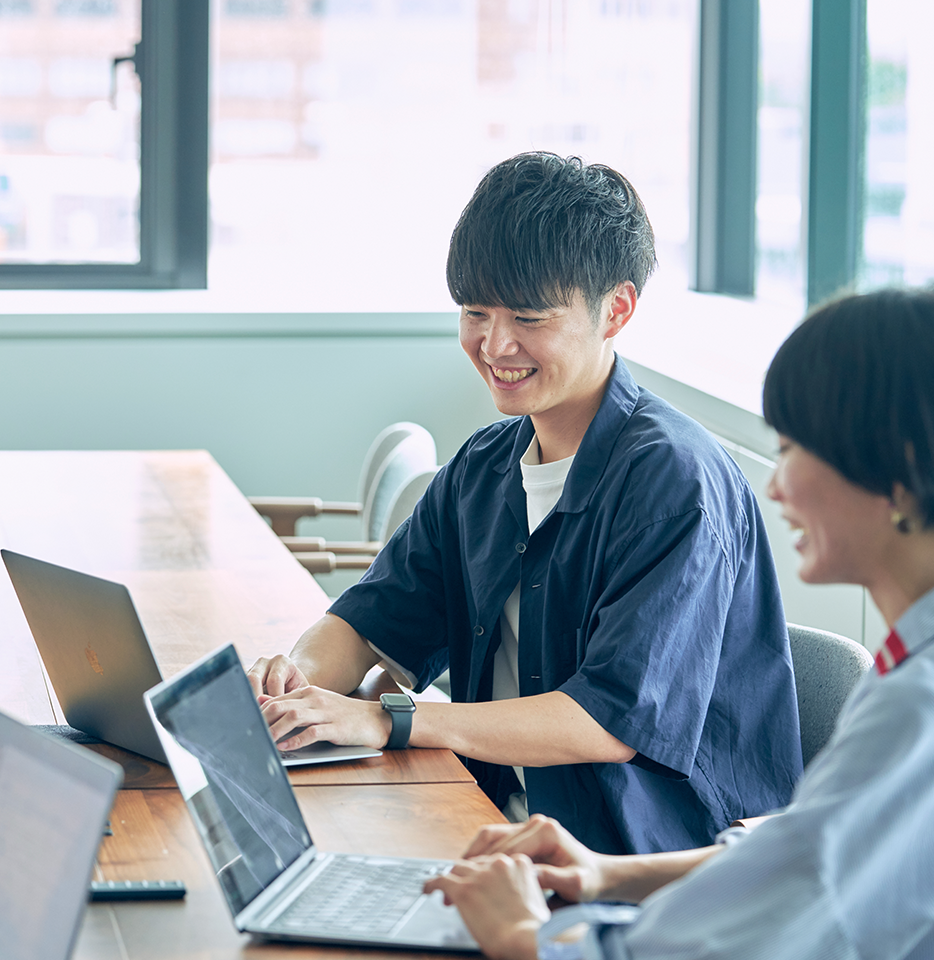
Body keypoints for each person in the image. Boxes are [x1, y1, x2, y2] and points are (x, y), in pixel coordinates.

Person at [424, 282, 934, 960]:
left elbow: (789, 922)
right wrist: (608, 876)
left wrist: (520, 937)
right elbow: (811, 853)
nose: (777, 486)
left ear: (900, 471)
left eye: (796, 449)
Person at [249, 152, 802, 855]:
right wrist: (291, 687)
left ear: (617, 310)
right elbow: (367, 624)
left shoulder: (674, 484)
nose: (495, 343)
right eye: (475, 311)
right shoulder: (485, 466)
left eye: (529, 317)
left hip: (639, 871)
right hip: (490, 828)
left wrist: (392, 719)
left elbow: (606, 722)